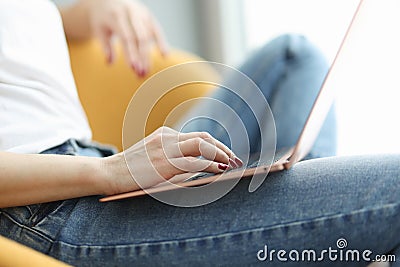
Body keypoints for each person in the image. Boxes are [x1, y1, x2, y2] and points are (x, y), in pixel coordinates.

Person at [0, 0, 398, 266]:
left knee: (293, 56)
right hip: (44, 207)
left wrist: (87, 13)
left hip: (88, 161)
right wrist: (111, 171)